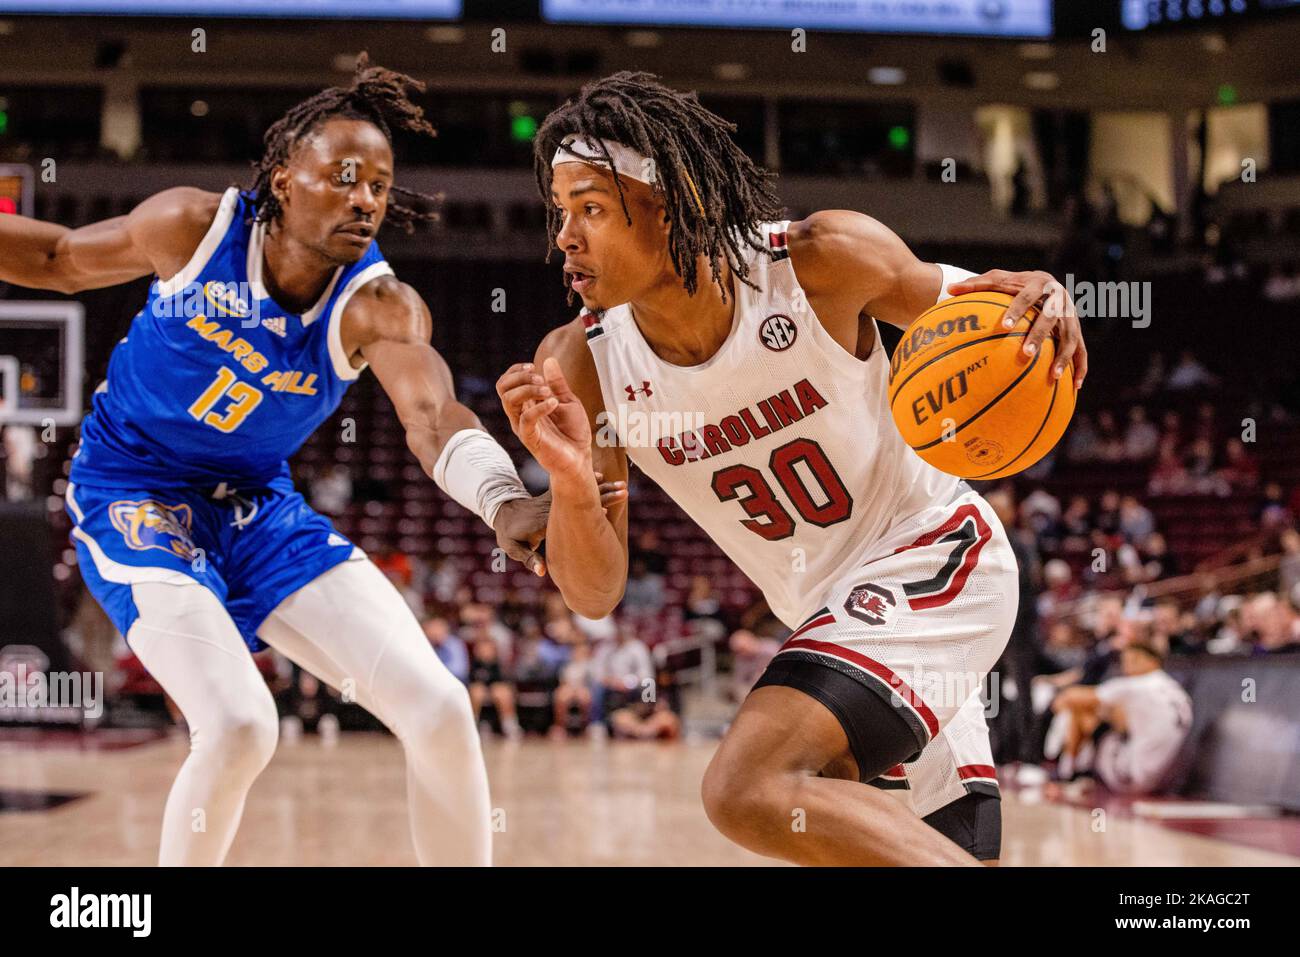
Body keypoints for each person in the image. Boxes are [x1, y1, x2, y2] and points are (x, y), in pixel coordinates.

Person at [0, 57, 622, 867]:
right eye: (344, 178)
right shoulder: (195, 229)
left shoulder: (378, 305)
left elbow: (431, 416)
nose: (365, 199)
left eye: (379, 185)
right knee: (240, 724)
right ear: (285, 178)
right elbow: (54, 261)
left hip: (255, 505)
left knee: (438, 706)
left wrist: (508, 503)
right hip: (133, 492)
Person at [498, 72, 1088, 866]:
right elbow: (596, 593)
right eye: (561, 211)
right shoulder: (584, 361)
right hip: (838, 621)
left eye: (592, 208)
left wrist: (1049, 296)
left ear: (675, 201)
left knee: (747, 786)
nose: (566, 235)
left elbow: (1002, 315)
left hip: (934, 557)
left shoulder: (820, 260)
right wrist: (569, 481)